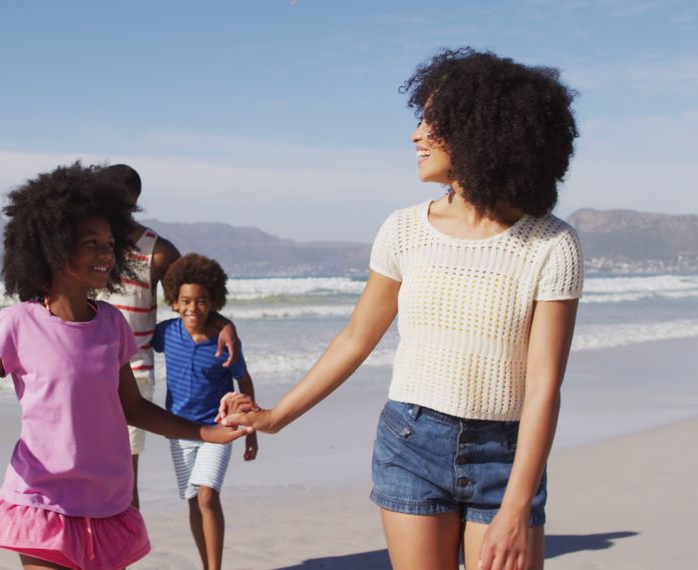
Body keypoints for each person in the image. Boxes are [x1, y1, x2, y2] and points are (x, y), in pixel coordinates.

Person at [220, 48, 582, 570]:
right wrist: (276, 417)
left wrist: (517, 505)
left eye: (431, 123)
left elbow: (544, 384)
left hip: (506, 454)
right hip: (411, 442)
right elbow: (355, 339)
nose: (416, 136)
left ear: (481, 132)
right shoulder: (403, 229)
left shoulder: (551, 243)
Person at [0, 162, 247, 570]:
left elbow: (134, 408)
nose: (106, 253)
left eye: (110, 243)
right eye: (91, 242)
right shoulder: (18, 323)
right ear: (54, 247)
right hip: (43, 497)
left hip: (108, 499)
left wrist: (208, 433)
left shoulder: (111, 323)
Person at [99, 164, 240, 510]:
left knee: (124, 475)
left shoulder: (157, 252)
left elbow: (188, 299)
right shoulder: (91, 245)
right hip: (83, 371)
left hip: (133, 372)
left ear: (133, 201)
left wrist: (224, 324)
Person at [151, 253, 257, 570]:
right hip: (179, 431)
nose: (192, 308)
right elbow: (136, 336)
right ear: (173, 301)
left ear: (213, 302)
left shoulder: (225, 343)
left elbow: (244, 380)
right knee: (194, 500)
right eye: (185, 301)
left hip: (219, 429)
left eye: (201, 301)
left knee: (208, 495)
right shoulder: (167, 334)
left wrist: (252, 432)